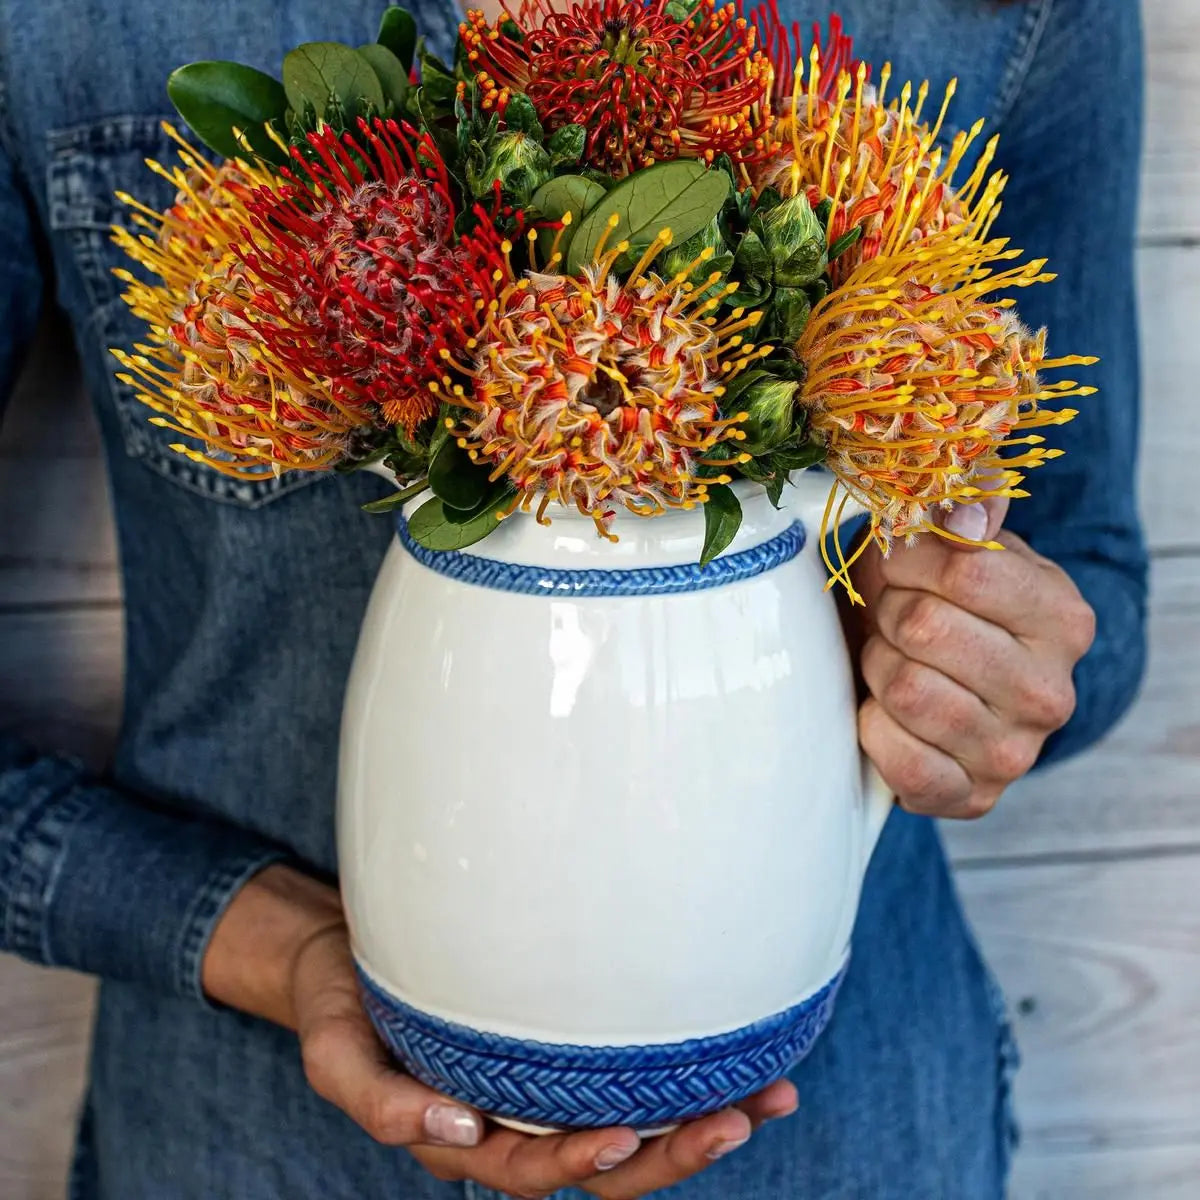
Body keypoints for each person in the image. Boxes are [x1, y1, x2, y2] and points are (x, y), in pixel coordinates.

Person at [0, 0, 1145, 1196]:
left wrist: (963, 664)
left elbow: (1087, 579)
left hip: (846, 1126)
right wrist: (258, 938)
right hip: (245, 1139)